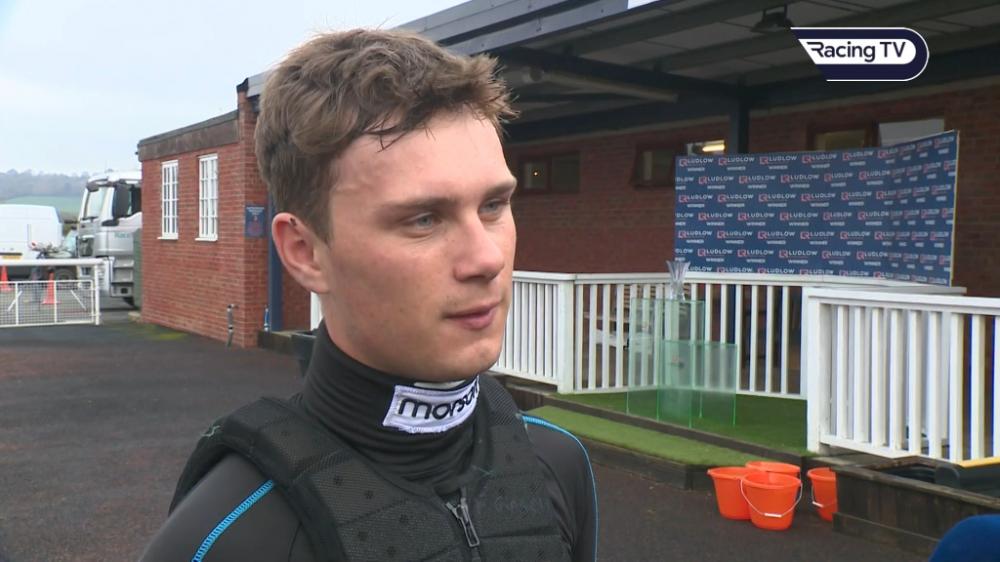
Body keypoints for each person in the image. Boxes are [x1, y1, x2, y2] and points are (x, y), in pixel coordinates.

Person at [141, 29, 598, 562]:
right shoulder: (222, 535)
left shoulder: (557, 463)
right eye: (424, 219)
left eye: (493, 206)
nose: (487, 259)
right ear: (306, 252)